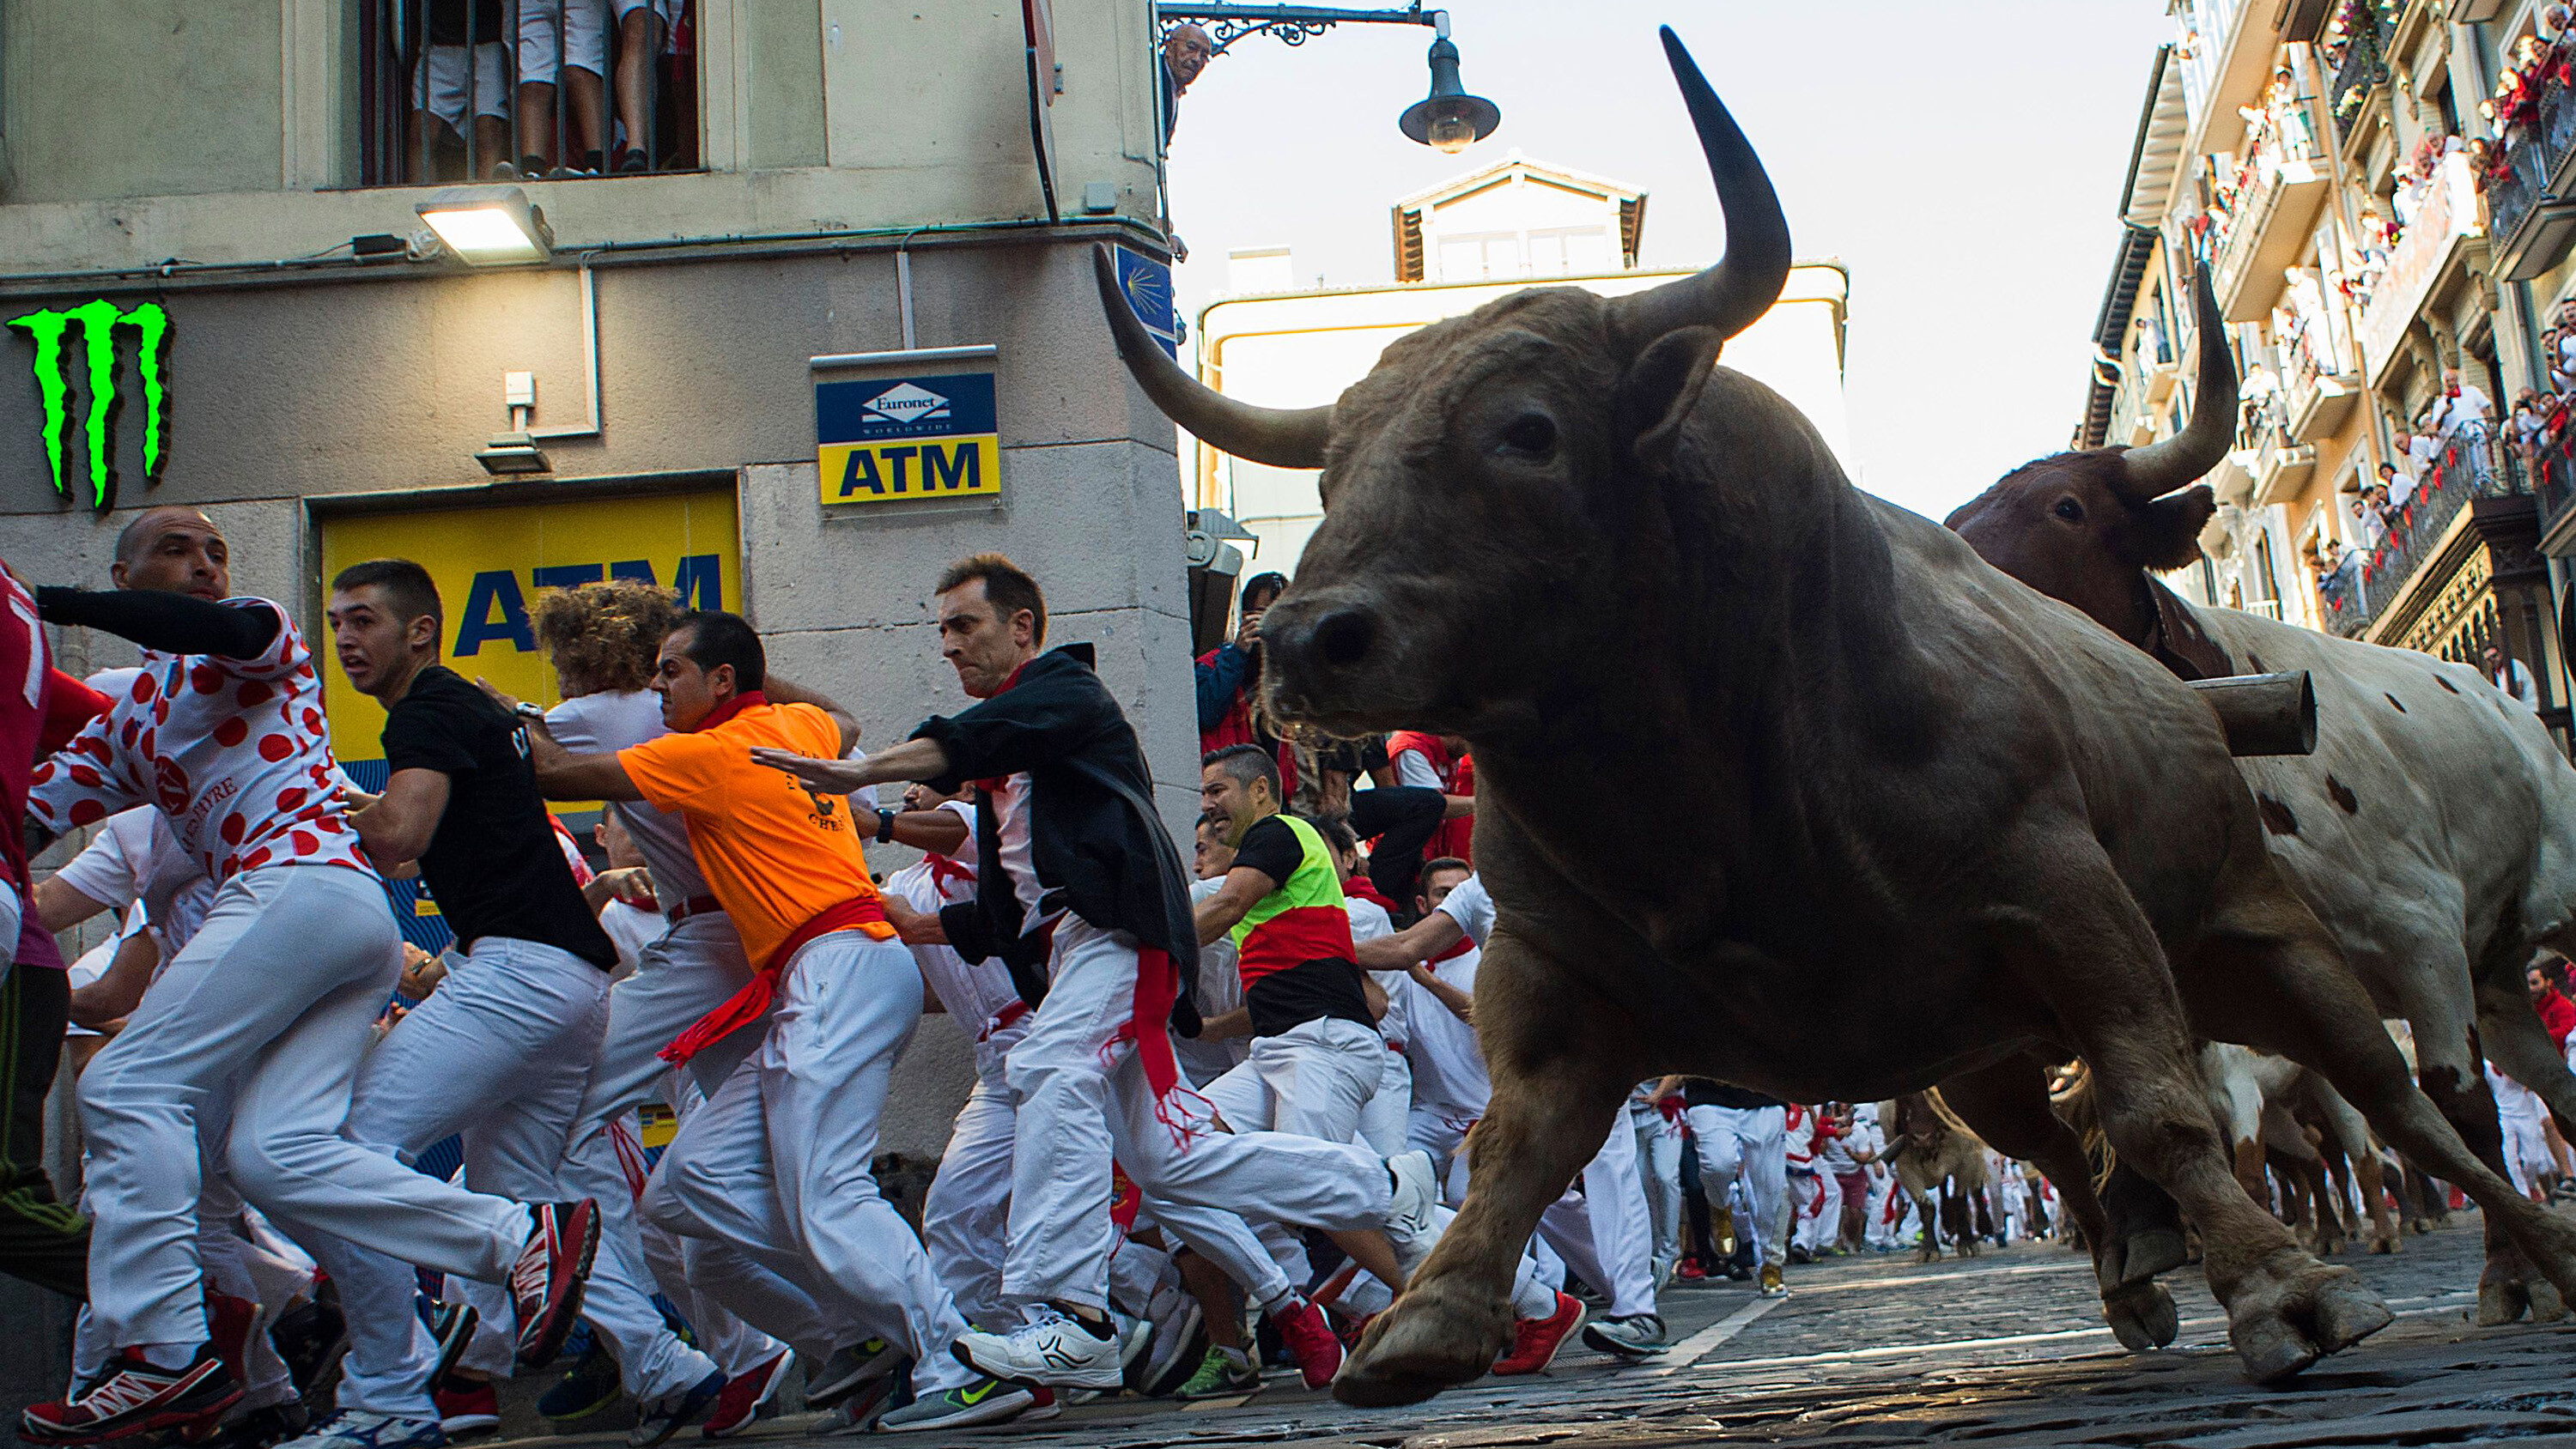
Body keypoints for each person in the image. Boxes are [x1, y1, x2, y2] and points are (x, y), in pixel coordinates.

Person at [745, 553, 1440, 1399]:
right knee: (1172, 1160)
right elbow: (1006, 910)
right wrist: (917, 913)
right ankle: (1384, 1182)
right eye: (943, 632)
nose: (951, 646)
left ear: (1024, 628)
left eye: (966, 626)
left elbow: (974, 737)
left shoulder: (1070, 694)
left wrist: (862, 773)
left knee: (1049, 1069)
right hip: (1083, 951)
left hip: (1123, 938)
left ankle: (1075, 1319)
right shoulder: (1015, 771)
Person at [18, 509, 594, 1448]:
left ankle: (165, 1350)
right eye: (177, 550)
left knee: (125, 1083)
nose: (206, 565)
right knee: (275, 1156)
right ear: (126, 573)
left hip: (299, 888)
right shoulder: (130, 728)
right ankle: (503, 1248)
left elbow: (213, 628)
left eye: (216, 550)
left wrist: (38, 601)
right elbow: (26, 814)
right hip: (337, 926)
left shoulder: (259, 639)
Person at [518, 608, 1003, 1434]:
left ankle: (960, 1357)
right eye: (654, 668)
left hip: (840, 964)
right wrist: (746, 670)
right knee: (683, 1188)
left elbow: (558, 779)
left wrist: (508, 717)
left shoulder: (700, 753)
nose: (656, 685)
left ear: (720, 684)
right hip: (835, 969)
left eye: (671, 670)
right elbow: (845, 720)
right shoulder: (797, 723)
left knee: (824, 1192)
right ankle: (873, 1336)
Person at [300, 559, 658, 1449]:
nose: (345, 637)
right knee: (526, 1196)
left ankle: (392, 1391)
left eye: (366, 620)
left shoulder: (427, 707)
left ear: (420, 630)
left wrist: (301, 797)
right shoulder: (469, 706)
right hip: (569, 985)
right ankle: (669, 1367)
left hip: (521, 973)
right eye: (336, 621)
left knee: (345, 1150)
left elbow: (398, 836)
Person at [0, 570, 109, 1307]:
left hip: (21, 952)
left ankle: (220, 1313)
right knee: (20, 1189)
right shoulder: (17, 611)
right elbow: (97, 724)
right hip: (23, 941)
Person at [1385, 731, 1474, 867]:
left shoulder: (1448, 753)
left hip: (1432, 849)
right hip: (1404, 854)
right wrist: (1483, 803)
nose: (1469, 751)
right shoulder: (1411, 749)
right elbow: (1434, 806)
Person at [2486, 643, 2542, 712]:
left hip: (2529, 709)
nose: (2492, 660)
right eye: (2488, 659)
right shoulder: (2498, 674)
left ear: (2500, 654)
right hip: (2519, 711)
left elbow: (2517, 689)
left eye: (2494, 656)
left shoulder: (2513, 664)